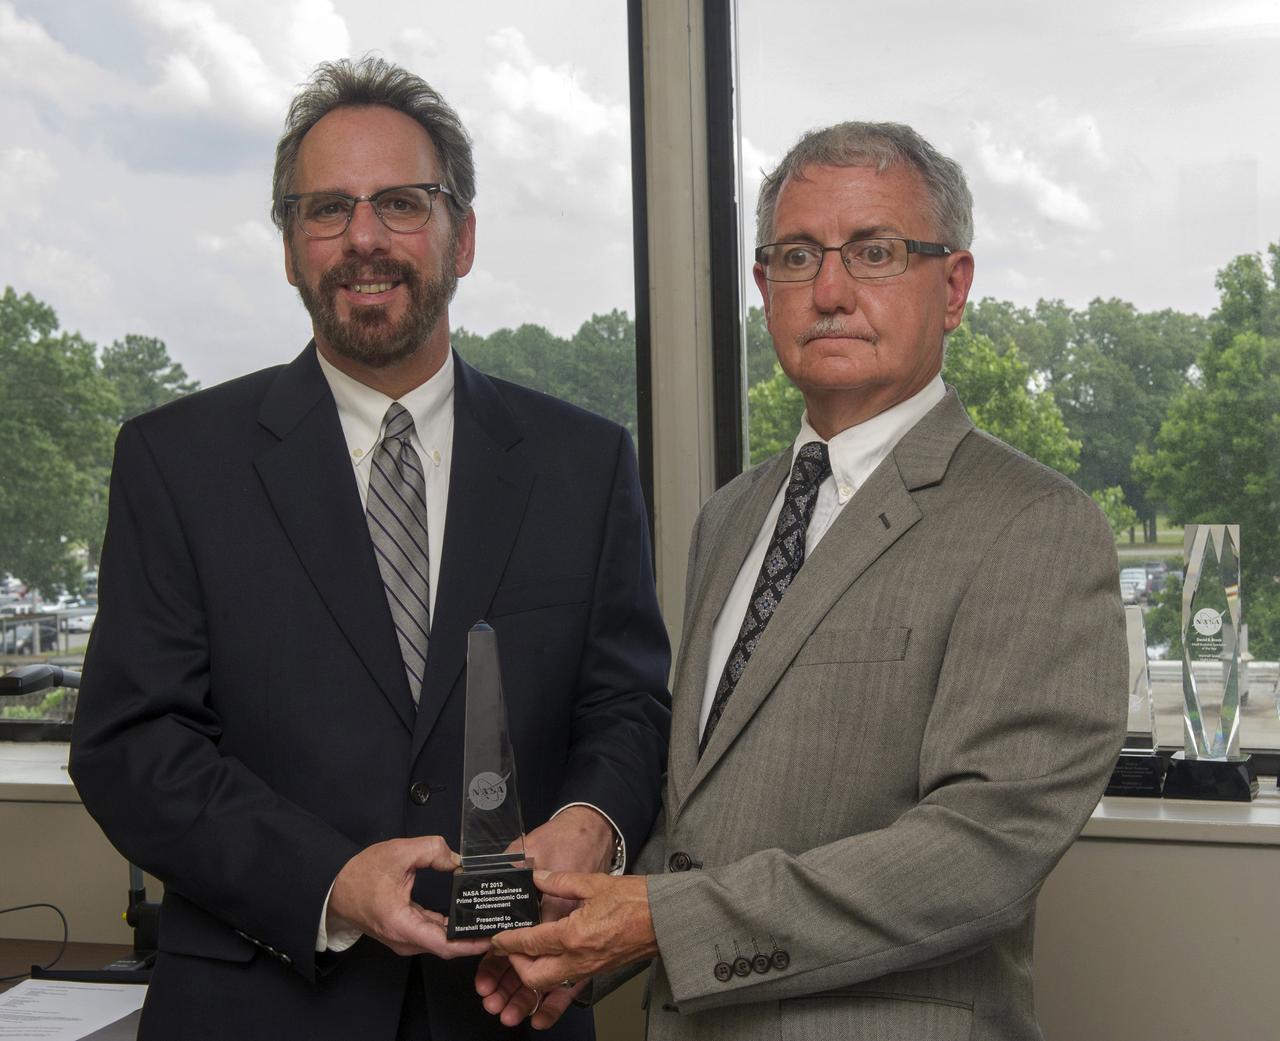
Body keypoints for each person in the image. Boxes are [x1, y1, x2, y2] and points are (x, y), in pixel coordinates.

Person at [69, 57, 670, 1041]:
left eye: (400, 202)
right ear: (289, 246)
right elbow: (132, 747)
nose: (363, 239)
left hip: (511, 1001)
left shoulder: (585, 463)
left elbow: (628, 705)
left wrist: (593, 826)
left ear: (461, 236)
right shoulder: (175, 462)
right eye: (326, 209)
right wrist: (331, 881)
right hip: (257, 1010)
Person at [490, 121, 1127, 1040]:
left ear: (953, 287)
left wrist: (664, 922)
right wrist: (586, 933)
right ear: (764, 289)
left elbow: (983, 851)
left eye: (874, 252)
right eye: (797, 256)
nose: (829, 291)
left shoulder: (1036, 525)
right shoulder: (730, 518)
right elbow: (707, 819)